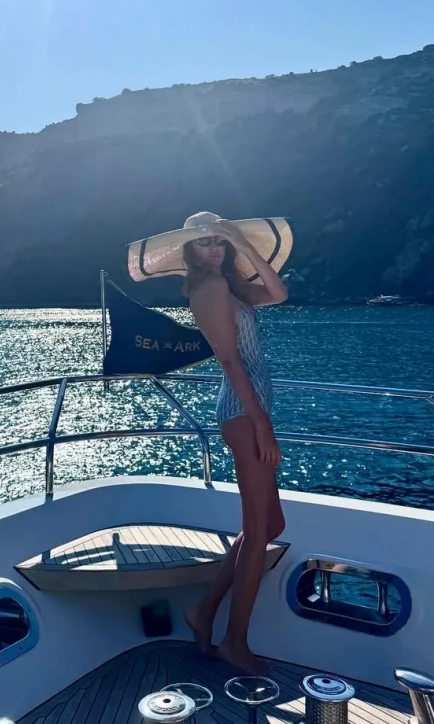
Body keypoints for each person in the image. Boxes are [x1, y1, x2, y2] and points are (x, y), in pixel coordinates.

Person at [180, 212, 288, 672]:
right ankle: (234, 642)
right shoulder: (208, 289)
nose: (213, 249)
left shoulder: (230, 286)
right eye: (204, 242)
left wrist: (243, 244)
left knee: (271, 524)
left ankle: (203, 612)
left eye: (219, 241)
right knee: (258, 530)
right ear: (189, 249)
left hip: (252, 411)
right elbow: (228, 360)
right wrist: (261, 425)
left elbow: (278, 293)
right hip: (244, 415)